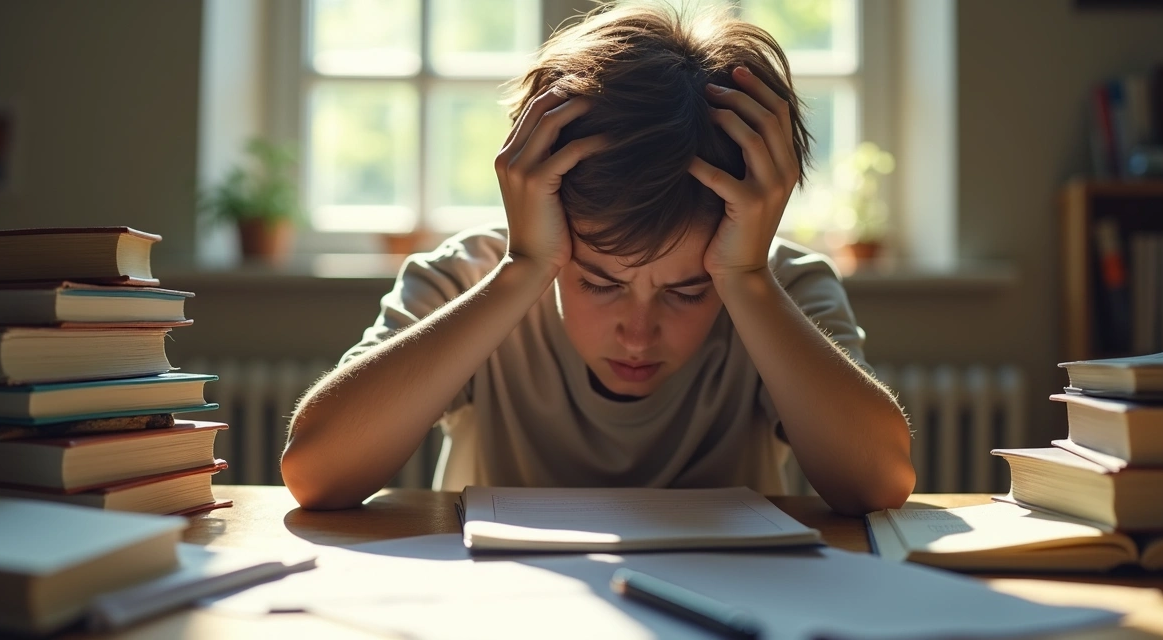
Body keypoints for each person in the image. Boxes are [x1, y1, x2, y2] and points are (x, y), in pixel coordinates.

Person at [281, 2, 915, 515]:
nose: (638, 334)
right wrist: (525, 268)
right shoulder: (467, 277)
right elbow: (316, 473)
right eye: (598, 282)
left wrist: (746, 280)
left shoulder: (783, 288)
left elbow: (877, 484)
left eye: (689, 291)